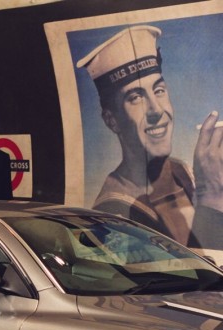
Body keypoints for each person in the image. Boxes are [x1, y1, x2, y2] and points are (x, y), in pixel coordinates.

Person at [77, 25, 223, 249]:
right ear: (111, 120)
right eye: (136, 97)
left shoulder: (181, 171)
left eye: (158, 91)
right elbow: (193, 270)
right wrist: (210, 195)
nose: (156, 110)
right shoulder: (113, 211)